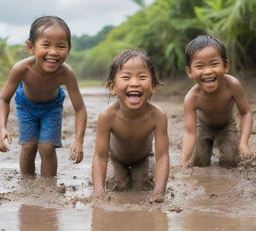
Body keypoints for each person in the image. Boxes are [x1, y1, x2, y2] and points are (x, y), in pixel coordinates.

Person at [0, 16, 87, 177]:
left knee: (47, 147)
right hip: (26, 106)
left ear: (68, 49)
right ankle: (27, 184)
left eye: (61, 46)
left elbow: (80, 108)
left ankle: (48, 187)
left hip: (52, 108)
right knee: (28, 146)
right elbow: (4, 99)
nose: (53, 52)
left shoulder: (66, 73)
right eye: (46, 45)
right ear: (31, 46)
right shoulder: (21, 69)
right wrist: (2, 127)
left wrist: (79, 140)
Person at [92, 49, 170, 203]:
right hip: (117, 159)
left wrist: (159, 192)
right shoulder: (107, 117)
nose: (134, 83)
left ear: (153, 86)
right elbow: (100, 157)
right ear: (112, 87)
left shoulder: (158, 116)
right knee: (118, 185)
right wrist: (98, 191)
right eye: (126, 77)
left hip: (143, 159)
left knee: (142, 186)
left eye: (142, 77)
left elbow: (162, 157)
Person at [181, 34, 253, 168]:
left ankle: (228, 148)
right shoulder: (192, 98)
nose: (208, 71)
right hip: (204, 127)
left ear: (225, 66)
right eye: (200, 66)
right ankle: (206, 151)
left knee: (231, 161)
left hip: (227, 126)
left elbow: (246, 113)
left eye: (214, 64)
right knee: (199, 163)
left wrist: (244, 143)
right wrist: (184, 161)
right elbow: (189, 132)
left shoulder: (233, 85)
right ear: (190, 71)